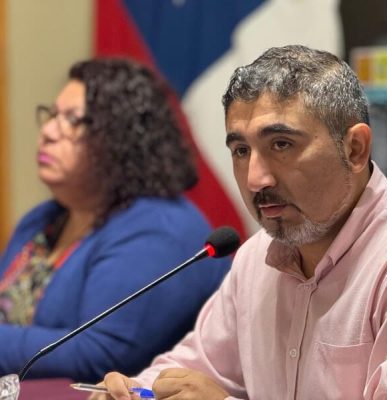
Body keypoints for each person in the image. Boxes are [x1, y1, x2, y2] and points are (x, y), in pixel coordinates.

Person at [95, 45, 387, 399]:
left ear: (355, 149)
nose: (256, 179)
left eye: (281, 145)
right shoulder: (255, 259)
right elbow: (192, 369)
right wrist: (134, 392)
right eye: (240, 150)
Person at [0, 58, 231, 382]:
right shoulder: (44, 218)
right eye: (52, 115)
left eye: (72, 120)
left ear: (121, 136)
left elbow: (100, 354)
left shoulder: (160, 228)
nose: (48, 132)